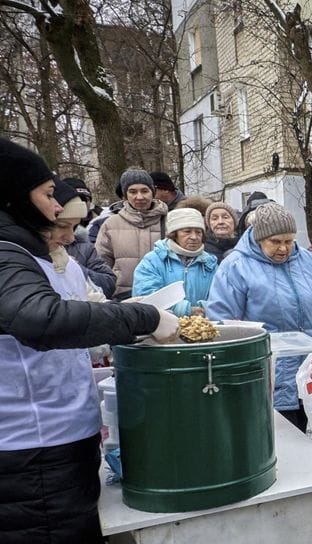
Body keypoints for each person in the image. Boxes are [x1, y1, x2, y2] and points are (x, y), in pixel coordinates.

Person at [0, 139, 179, 543]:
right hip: (31, 453)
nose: (56, 208)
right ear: (13, 196)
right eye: (48, 194)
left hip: (52, 443)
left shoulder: (26, 255)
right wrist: (144, 317)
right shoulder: (6, 254)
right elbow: (41, 318)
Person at [207, 203, 312, 431]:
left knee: (303, 439)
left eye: (289, 241)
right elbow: (221, 320)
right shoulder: (235, 266)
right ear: (259, 238)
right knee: (272, 439)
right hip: (266, 375)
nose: (284, 248)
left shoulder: (305, 259)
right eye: (275, 241)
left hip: (309, 371)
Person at [95, 168, 168, 300]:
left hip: (162, 295)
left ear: (153, 192)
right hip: (122, 297)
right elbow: (101, 264)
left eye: (144, 191)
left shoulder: (169, 221)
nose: (139, 197)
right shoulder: (111, 224)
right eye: (133, 192)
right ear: (125, 195)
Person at [133, 208, 218, 317]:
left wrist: (204, 309)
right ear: (174, 234)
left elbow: (221, 298)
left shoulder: (210, 263)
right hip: (163, 324)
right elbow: (146, 297)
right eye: (187, 231)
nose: (194, 237)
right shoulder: (153, 261)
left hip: (203, 325)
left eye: (198, 232)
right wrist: (185, 310)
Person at [55, 180, 117, 298]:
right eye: (62, 226)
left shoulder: (84, 247)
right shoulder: (25, 255)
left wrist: (75, 269)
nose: (70, 237)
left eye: (75, 227)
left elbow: (109, 283)